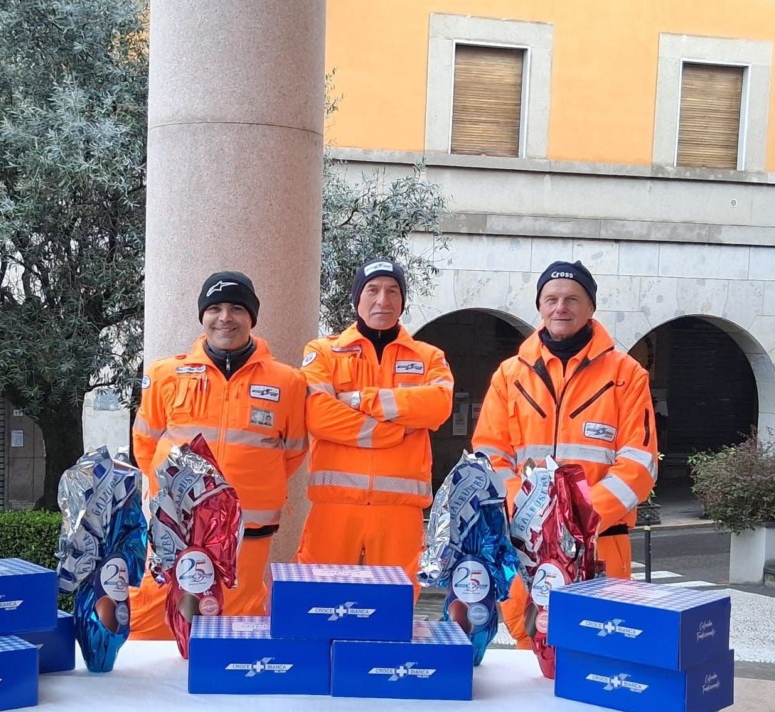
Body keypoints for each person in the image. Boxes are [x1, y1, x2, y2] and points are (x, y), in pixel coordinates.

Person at [472, 260, 658, 647]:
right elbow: (490, 455)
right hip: (527, 544)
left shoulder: (627, 375)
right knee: (529, 644)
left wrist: (576, 518)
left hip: (600, 542)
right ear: (539, 307)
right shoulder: (509, 375)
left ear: (591, 308)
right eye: (551, 298)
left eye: (573, 299)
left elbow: (639, 464)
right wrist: (528, 513)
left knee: (601, 646)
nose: (561, 307)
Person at [129, 270, 308, 639]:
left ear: (251, 318)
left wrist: (251, 489)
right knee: (153, 618)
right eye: (216, 308)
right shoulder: (167, 375)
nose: (225, 317)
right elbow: (145, 446)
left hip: (250, 533)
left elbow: (292, 453)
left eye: (237, 309)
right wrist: (174, 504)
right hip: (177, 532)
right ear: (203, 316)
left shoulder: (288, 382)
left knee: (236, 625)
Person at [296, 257, 453, 586]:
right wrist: (395, 429)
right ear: (357, 299)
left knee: (395, 610)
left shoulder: (429, 356)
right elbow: (319, 415)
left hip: (400, 511)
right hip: (334, 507)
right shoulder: (324, 352)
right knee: (318, 600)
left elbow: (438, 406)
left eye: (393, 291)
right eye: (373, 290)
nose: (383, 300)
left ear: (402, 300)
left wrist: (359, 400)